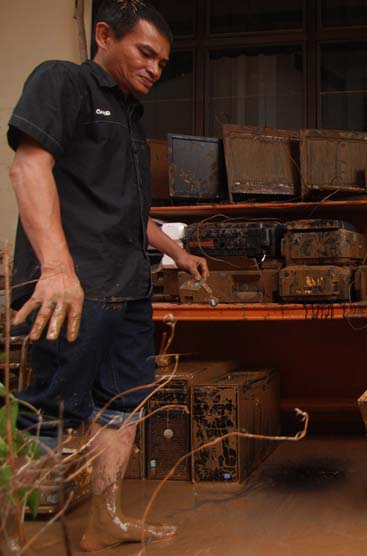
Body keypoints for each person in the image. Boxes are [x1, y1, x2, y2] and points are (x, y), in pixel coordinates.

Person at [7, 0, 207, 551]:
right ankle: (7, 530)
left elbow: (127, 211)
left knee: (123, 406)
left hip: (127, 287)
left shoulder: (129, 117)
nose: (154, 69)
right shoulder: (63, 82)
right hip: (72, 287)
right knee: (48, 408)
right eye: (145, 53)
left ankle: (104, 521)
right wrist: (55, 269)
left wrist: (176, 252)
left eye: (163, 63)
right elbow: (28, 166)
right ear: (104, 35)